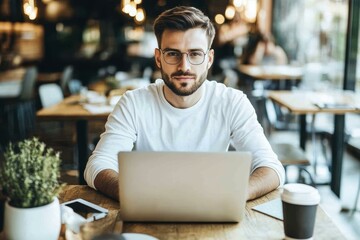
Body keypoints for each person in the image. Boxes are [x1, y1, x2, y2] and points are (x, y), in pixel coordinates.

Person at [84, 6, 285, 201]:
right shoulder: (133, 103)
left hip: (214, 209)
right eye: (173, 53)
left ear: (209, 59)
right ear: (158, 58)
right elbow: (97, 165)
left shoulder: (232, 102)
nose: (184, 66)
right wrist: (134, 195)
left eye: (195, 54)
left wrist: (235, 196)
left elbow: (272, 168)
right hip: (147, 211)